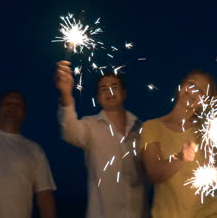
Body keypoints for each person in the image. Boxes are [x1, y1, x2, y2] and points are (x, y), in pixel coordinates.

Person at [56, 60, 148, 218]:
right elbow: (69, 131)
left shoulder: (141, 129)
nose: (109, 91)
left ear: (124, 93)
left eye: (114, 86)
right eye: (103, 88)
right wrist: (66, 93)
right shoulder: (90, 126)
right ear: (98, 98)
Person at [140, 70, 217, 218]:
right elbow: (154, 173)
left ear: (206, 101)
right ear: (181, 86)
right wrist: (180, 157)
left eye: (200, 91)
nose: (193, 91)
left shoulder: (205, 131)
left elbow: (215, 174)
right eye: (191, 84)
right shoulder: (152, 127)